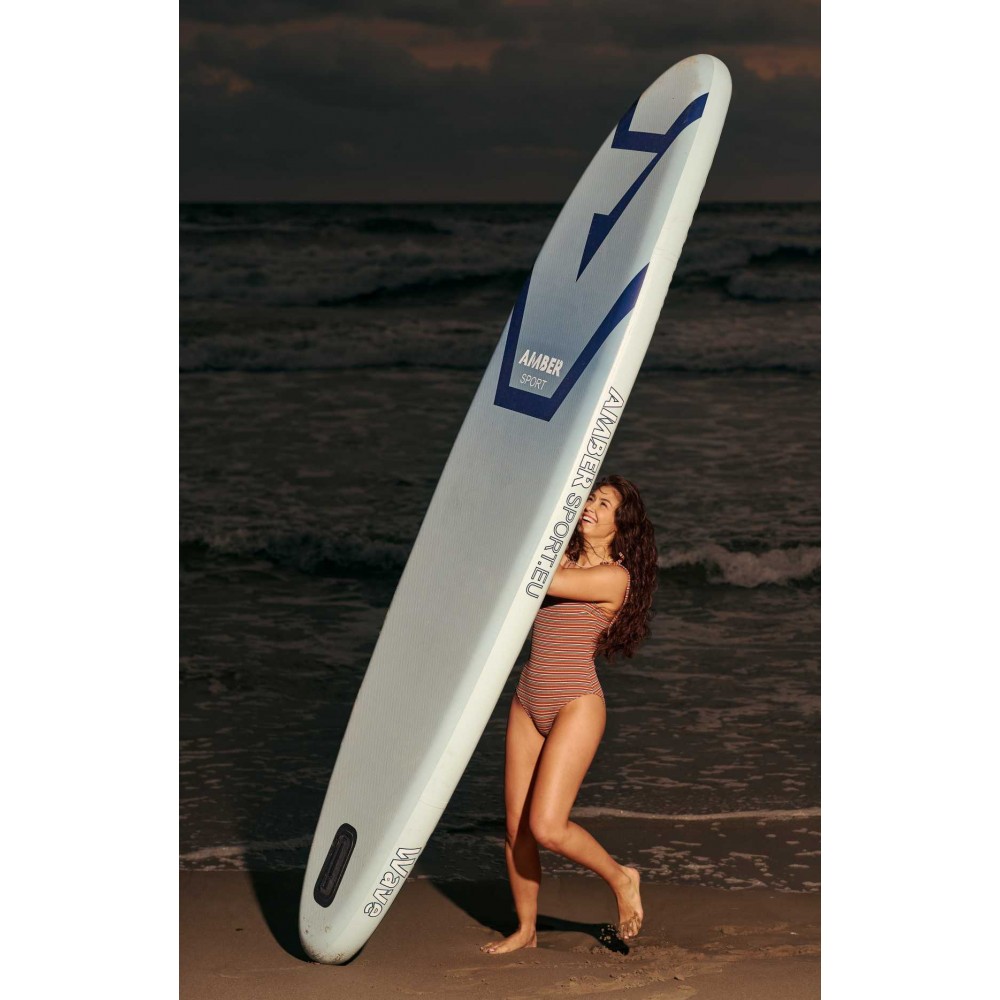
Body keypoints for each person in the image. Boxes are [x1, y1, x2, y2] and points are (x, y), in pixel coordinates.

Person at [480, 474, 659, 954]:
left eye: (604, 504)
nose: (591, 507)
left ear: (621, 525)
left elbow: (542, 579)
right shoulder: (561, 555)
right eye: (590, 498)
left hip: (575, 702)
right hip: (528, 697)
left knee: (547, 826)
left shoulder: (615, 577)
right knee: (516, 828)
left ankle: (621, 878)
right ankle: (526, 930)